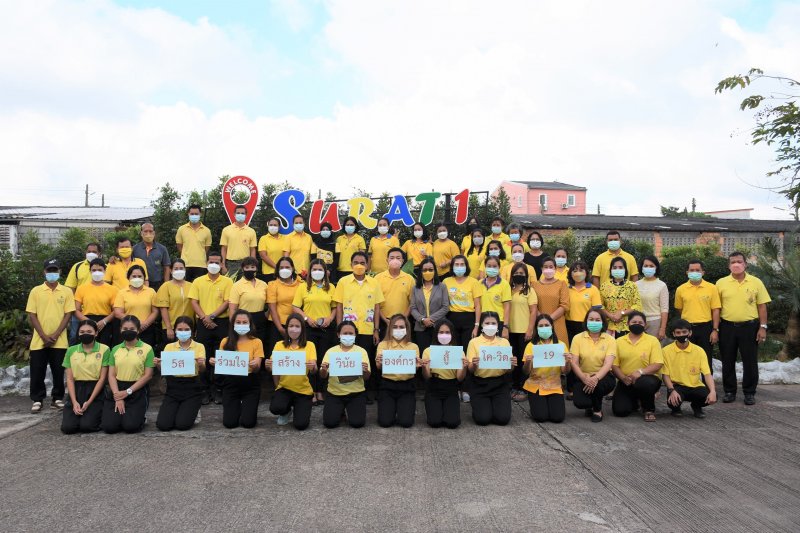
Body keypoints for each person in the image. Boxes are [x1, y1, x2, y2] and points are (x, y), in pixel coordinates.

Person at [716, 251, 771, 405]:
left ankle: (749, 392)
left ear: (745, 264)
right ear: (728, 266)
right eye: (733, 262)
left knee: (750, 361)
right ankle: (729, 391)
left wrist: (763, 327)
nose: (736, 264)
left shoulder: (756, 282)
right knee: (727, 360)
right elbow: (716, 308)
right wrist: (716, 328)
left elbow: (762, 306)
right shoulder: (721, 283)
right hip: (727, 327)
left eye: (739, 262)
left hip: (750, 327)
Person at [333, 252, 384, 402]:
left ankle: (366, 391)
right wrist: (339, 329)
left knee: (365, 361)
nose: (359, 265)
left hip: (367, 329)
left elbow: (377, 307)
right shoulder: (343, 282)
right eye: (356, 262)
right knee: (349, 359)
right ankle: (347, 390)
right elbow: (339, 306)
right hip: (348, 331)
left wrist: (376, 330)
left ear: (367, 265)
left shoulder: (374, 283)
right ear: (351, 265)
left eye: (362, 262)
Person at [26, 258, 75, 413]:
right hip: (39, 340)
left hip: (59, 340)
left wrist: (55, 334)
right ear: (44, 272)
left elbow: (68, 314)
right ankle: (37, 399)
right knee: (37, 370)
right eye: (49, 270)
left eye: (55, 270)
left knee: (58, 371)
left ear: (60, 271)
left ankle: (57, 398)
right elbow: (32, 315)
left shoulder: (66, 291)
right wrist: (43, 336)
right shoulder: (36, 291)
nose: (52, 273)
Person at [188, 251, 233, 405]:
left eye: (217, 262)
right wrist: (204, 318)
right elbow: (194, 302)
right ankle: (204, 390)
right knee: (203, 356)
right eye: (211, 262)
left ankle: (218, 389)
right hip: (203, 322)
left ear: (221, 264)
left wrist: (212, 316)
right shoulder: (198, 281)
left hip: (221, 322)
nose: (214, 265)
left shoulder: (227, 281)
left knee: (220, 356)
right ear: (206, 263)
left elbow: (227, 302)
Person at [292, 259, 337, 406]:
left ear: (325, 272)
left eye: (320, 269)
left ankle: (321, 391)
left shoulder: (331, 287)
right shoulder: (303, 287)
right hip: (309, 328)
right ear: (310, 272)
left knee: (323, 360)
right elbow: (295, 307)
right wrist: (306, 318)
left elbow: (335, 307)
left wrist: (330, 318)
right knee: (310, 360)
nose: (317, 272)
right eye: (314, 269)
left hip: (326, 328)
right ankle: (311, 391)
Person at [210, 310, 264, 429]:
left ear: (250, 324)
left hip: (250, 385)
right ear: (233, 324)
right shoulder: (225, 341)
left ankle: (246, 407)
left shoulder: (256, 342)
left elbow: (257, 368)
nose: (241, 324)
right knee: (230, 423)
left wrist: (255, 364)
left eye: (245, 322)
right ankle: (237, 406)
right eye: (238, 322)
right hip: (231, 384)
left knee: (248, 423)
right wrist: (215, 362)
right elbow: (222, 365)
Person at [101, 315, 154, 433]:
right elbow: (111, 375)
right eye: (125, 329)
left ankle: (141, 417)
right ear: (120, 330)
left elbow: (148, 375)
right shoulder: (115, 349)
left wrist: (127, 392)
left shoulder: (147, 349)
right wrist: (117, 396)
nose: (128, 331)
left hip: (136, 389)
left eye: (132, 329)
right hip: (118, 388)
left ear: (138, 330)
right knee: (109, 427)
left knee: (131, 427)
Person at [266, 313, 317, 430]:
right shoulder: (279, 345)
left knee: (301, 425)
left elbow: (314, 371)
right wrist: (268, 366)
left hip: (303, 391)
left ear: (302, 329)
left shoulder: (310, 345)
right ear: (287, 328)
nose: (294, 329)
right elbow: (273, 368)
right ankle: (286, 411)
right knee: (275, 407)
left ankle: (300, 409)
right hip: (285, 388)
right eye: (291, 326)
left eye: (297, 326)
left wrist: (313, 366)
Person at [154, 316, 206, 431]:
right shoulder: (169, 347)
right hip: (173, 388)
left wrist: (201, 364)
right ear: (175, 330)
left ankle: (194, 410)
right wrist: (158, 364)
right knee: (163, 425)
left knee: (182, 425)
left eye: (186, 329)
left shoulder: (199, 346)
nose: (183, 332)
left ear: (192, 331)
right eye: (180, 329)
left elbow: (202, 370)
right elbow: (164, 369)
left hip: (192, 387)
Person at [611, 311, 664, 421]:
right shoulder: (619, 341)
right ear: (628, 324)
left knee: (645, 384)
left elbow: (658, 364)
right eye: (634, 322)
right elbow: (614, 365)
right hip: (626, 380)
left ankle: (648, 409)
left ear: (645, 325)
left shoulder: (653, 341)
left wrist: (640, 372)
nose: (637, 324)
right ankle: (636, 401)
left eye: (640, 323)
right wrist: (623, 378)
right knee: (620, 411)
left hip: (647, 379)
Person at [466, 311, 516, 426]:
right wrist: (474, 364)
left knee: (503, 419)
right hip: (480, 384)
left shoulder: (504, 342)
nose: (490, 326)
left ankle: (494, 407)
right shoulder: (474, 342)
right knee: (482, 419)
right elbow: (470, 370)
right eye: (487, 323)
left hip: (500, 384)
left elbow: (510, 370)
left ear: (498, 325)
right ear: (482, 325)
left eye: (493, 323)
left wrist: (512, 364)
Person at [319, 321, 371, 428]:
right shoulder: (331, 352)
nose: (348, 336)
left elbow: (366, 377)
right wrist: (324, 370)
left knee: (357, 423)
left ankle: (348, 410)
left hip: (356, 393)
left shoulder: (362, 352)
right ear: (338, 335)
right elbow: (323, 376)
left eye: (351, 333)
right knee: (330, 423)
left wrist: (365, 371)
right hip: (334, 393)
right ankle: (341, 411)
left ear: (355, 335)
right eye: (345, 333)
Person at [662, 319, 717, 418]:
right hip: (677, 386)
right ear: (674, 334)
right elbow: (665, 375)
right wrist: (671, 390)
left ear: (690, 333)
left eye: (684, 332)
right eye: (678, 332)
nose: (681, 335)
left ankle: (696, 406)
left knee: (710, 396)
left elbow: (707, 374)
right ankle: (676, 408)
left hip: (695, 386)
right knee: (673, 402)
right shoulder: (666, 351)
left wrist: (713, 391)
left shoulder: (699, 351)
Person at [61, 319, 108, 434]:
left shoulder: (104, 349)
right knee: (68, 428)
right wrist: (74, 401)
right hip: (76, 390)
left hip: (95, 389)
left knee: (87, 426)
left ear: (96, 333)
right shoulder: (71, 350)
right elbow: (70, 379)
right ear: (78, 333)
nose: (85, 334)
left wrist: (89, 401)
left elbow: (102, 378)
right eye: (82, 332)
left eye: (89, 331)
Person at [569, 309, 617, 422]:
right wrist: (583, 378)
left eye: (597, 320)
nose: (594, 322)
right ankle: (590, 405)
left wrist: (595, 378)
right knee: (580, 403)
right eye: (591, 319)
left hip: (603, 377)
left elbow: (608, 364)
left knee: (597, 386)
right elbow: (574, 362)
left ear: (603, 322)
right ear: (586, 321)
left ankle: (597, 410)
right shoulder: (577, 338)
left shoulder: (610, 340)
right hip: (583, 375)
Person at [522, 314, 570, 423]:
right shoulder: (531, 345)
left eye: (546, 325)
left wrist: (567, 362)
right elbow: (525, 372)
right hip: (536, 385)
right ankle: (535, 406)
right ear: (536, 328)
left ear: (552, 326)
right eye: (541, 326)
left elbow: (565, 371)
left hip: (554, 385)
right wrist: (528, 362)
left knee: (558, 418)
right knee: (540, 417)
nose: (544, 328)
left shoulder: (560, 345)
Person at [674, 259, 721, 370]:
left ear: (703, 272)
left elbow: (716, 310)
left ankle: (707, 381)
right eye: (692, 270)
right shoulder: (680, 289)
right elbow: (680, 309)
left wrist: (715, 330)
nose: (694, 272)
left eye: (697, 270)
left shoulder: (712, 288)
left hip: (706, 328)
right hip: (687, 329)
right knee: (687, 359)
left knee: (706, 359)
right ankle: (688, 381)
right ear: (687, 272)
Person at [375, 314, 421, 428]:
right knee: (385, 422)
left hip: (407, 387)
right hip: (387, 386)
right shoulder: (383, 345)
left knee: (406, 422)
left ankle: (402, 409)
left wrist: (417, 365)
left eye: (401, 327)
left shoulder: (413, 347)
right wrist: (379, 362)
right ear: (390, 329)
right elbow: (379, 367)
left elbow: (414, 369)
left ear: (407, 328)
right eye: (395, 327)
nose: (398, 329)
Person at [421, 319, 468, 428]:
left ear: (452, 334)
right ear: (436, 334)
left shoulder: (458, 351)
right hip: (434, 386)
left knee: (453, 423)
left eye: (447, 332)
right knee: (434, 422)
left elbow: (460, 378)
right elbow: (427, 376)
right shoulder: (428, 351)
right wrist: (424, 367)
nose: (444, 335)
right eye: (441, 332)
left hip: (451, 387)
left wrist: (464, 367)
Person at [508, 262, 538, 402]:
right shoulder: (508, 289)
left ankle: (523, 388)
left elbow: (533, 311)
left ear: (526, 275)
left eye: (521, 273)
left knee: (523, 360)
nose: (518, 275)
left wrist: (530, 329)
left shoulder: (529, 291)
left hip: (524, 331)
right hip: (509, 331)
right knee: (513, 360)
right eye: (516, 273)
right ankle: (514, 386)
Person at [74, 258, 118, 346]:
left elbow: (116, 310)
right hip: (86, 321)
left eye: (100, 270)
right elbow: (76, 310)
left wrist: (104, 321)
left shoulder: (113, 289)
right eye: (94, 270)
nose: (97, 272)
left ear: (105, 271)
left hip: (106, 323)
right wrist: (88, 321)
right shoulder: (81, 288)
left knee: (104, 348)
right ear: (90, 271)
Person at [409, 257, 450, 354]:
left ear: (435, 271)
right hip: (421, 327)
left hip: (439, 327)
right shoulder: (415, 288)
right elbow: (413, 308)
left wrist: (430, 319)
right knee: (424, 355)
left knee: (439, 355)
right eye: (425, 270)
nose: (428, 272)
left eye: (431, 270)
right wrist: (423, 319)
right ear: (420, 271)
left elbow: (445, 307)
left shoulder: (442, 286)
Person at [444, 255, 484, 351]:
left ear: (466, 266)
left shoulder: (474, 282)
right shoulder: (446, 281)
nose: (459, 267)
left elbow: (478, 306)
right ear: (452, 266)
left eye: (462, 264)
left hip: (469, 319)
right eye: (456, 264)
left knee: (467, 349)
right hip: (452, 318)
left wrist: (476, 326)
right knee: (454, 350)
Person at [113, 265, 158, 347]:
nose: (137, 278)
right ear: (128, 277)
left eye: (140, 276)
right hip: (128, 330)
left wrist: (145, 324)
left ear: (144, 277)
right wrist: (135, 323)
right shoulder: (122, 293)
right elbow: (118, 313)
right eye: (134, 276)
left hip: (146, 329)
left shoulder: (151, 292)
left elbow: (155, 311)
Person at [375, 247, 414, 339]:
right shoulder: (378, 278)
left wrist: (403, 319)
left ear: (403, 261)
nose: (395, 260)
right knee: (384, 346)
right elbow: (376, 303)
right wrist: (385, 320)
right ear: (387, 260)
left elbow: (412, 302)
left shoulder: (409, 279)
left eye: (398, 258)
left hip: (403, 322)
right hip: (384, 321)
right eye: (392, 258)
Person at [228, 257, 269, 345]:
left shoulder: (263, 284)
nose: (250, 269)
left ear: (256, 269)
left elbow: (270, 304)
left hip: (260, 319)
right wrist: (233, 326)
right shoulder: (236, 286)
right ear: (243, 269)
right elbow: (232, 309)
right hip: (243, 320)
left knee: (260, 344)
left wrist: (265, 316)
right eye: (247, 267)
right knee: (244, 344)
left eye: (252, 267)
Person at [155, 258, 195, 347]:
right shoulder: (165, 286)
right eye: (176, 269)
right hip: (172, 327)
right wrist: (169, 328)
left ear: (185, 270)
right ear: (171, 270)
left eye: (181, 268)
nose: (179, 271)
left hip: (188, 327)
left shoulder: (192, 286)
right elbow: (163, 308)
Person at [599, 256, 642, 337]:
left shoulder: (632, 286)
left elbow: (637, 306)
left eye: (620, 267)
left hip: (627, 327)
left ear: (625, 270)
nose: (617, 269)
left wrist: (622, 313)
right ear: (611, 270)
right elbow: (600, 305)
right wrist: (610, 315)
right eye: (615, 267)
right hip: (608, 327)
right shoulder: (604, 286)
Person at [266, 257, 302, 353]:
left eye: (287, 267)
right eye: (281, 268)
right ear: (277, 269)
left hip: (297, 324)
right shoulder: (272, 285)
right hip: (278, 324)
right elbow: (272, 309)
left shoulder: (301, 284)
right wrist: (280, 329)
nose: (284, 270)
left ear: (293, 268)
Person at [532, 257, 570, 343]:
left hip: (558, 323)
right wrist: (542, 320)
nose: (548, 269)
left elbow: (565, 305)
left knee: (559, 347)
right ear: (541, 269)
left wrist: (549, 319)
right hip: (540, 324)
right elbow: (533, 305)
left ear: (555, 268)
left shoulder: (562, 284)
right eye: (545, 267)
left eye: (551, 267)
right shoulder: (535, 285)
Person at [176, 204, 212, 281]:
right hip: (185, 264)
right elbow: (179, 246)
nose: (194, 216)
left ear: (200, 214)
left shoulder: (207, 231)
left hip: (201, 265)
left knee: (200, 287)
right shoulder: (181, 229)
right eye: (192, 214)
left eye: (196, 214)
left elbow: (207, 248)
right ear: (188, 214)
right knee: (185, 286)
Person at [635, 256, 668, 341]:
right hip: (638, 321)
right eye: (645, 266)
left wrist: (662, 328)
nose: (648, 268)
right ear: (641, 268)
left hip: (655, 323)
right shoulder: (636, 285)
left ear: (656, 268)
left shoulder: (661, 285)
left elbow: (664, 309)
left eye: (651, 266)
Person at [132, 223, 171, 292]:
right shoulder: (135, 249)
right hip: (140, 283)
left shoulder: (162, 249)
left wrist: (166, 285)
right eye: (145, 231)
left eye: (150, 231)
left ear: (154, 233)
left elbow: (166, 267)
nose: (148, 234)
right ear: (141, 233)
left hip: (158, 284)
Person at [220, 205, 257, 276]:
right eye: (238, 213)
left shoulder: (251, 231)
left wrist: (253, 265)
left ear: (246, 215)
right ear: (234, 214)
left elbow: (252, 250)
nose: (240, 215)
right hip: (230, 264)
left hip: (246, 264)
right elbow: (224, 248)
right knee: (231, 283)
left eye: (242, 213)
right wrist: (223, 265)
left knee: (245, 283)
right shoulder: (226, 230)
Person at [480, 256, 512, 337]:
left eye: (494, 266)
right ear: (485, 267)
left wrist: (505, 326)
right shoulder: (479, 283)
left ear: (499, 267)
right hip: (483, 322)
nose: (492, 268)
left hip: (498, 322)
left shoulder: (504, 284)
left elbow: (507, 307)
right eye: (489, 266)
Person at [334, 216, 366, 282]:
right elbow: (336, 255)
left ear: (355, 226)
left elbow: (362, 256)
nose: (349, 226)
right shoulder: (339, 239)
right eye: (347, 225)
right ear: (344, 226)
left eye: (351, 225)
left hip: (355, 270)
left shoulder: (360, 239)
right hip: (340, 270)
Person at [257, 217, 287, 283]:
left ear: (279, 227)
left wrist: (283, 268)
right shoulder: (263, 239)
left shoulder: (285, 238)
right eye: (271, 225)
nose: (273, 227)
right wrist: (277, 267)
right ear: (268, 226)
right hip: (269, 273)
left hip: (284, 271)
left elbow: (286, 254)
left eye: (275, 225)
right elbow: (263, 256)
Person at [284, 214, 314, 278]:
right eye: (296, 223)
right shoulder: (288, 237)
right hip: (294, 272)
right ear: (293, 224)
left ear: (304, 224)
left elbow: (311, 255)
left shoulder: (309, 237)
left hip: (307, 272)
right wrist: (289, 270)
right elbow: (286, 256)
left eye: (300, 223)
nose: (298, 224)